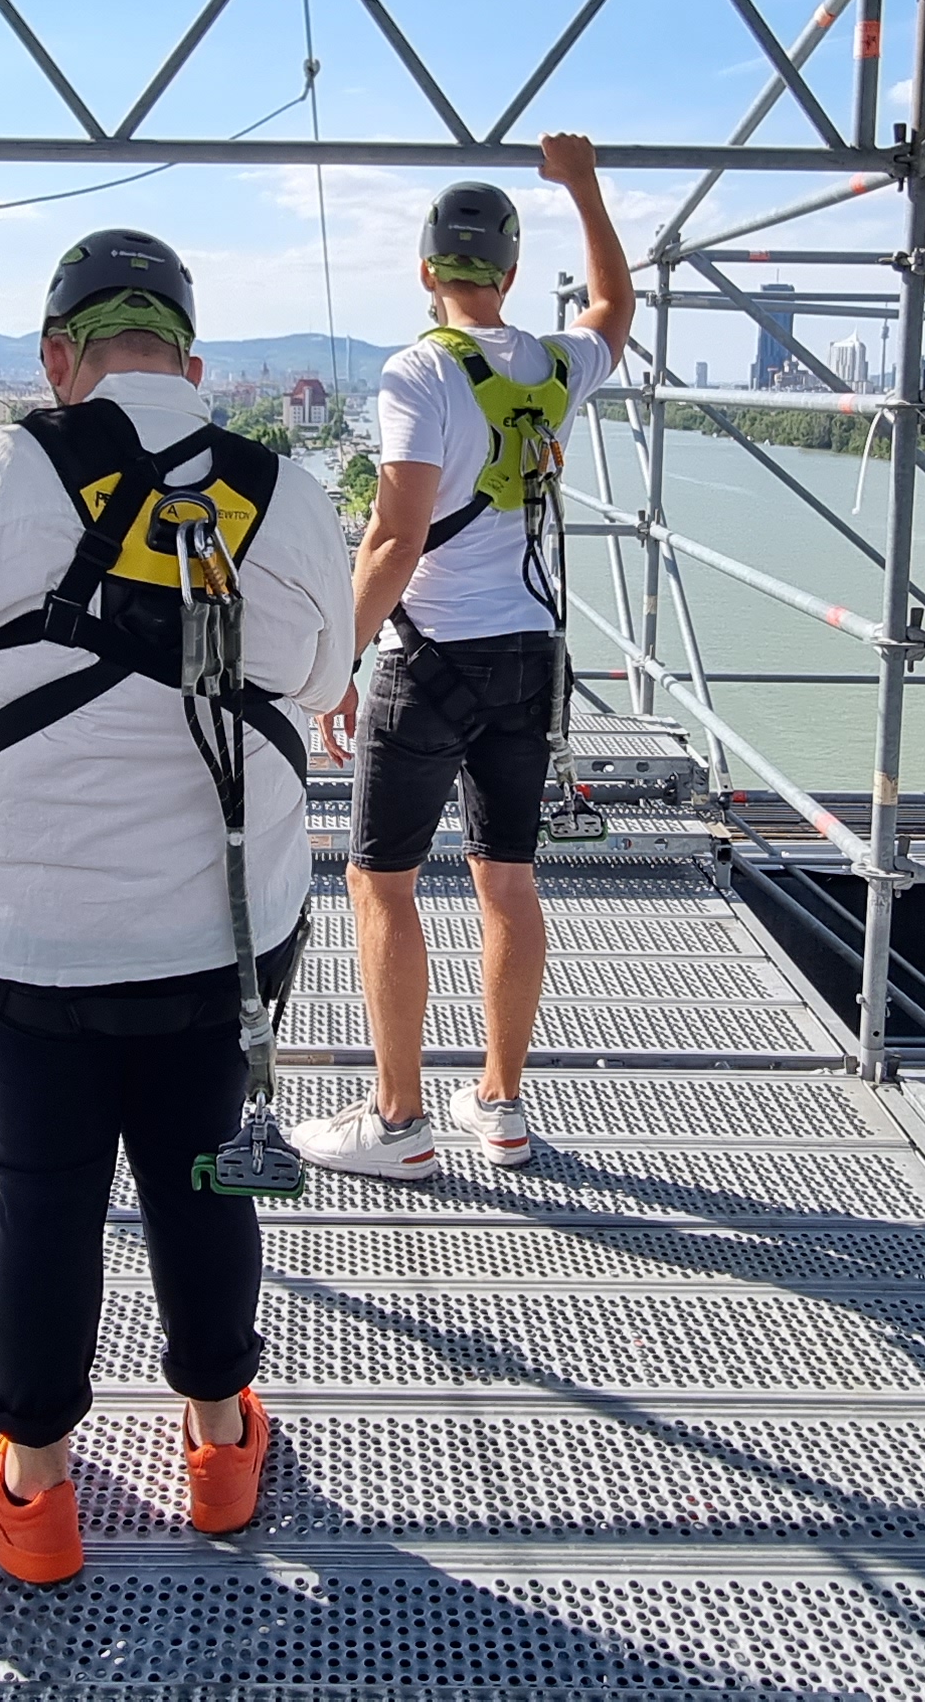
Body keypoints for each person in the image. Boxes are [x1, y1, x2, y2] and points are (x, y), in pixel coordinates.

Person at [0, 229, 351, 1583]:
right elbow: (326, 666)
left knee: (44, 1184)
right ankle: (222, 1446)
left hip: (27, 931)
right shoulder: (291, 495)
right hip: (228, 923)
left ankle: (34, 1492)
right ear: (194, 362)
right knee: (206, 1164)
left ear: (59, 360)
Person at [295, 135, 634, 1180]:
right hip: (528, 657)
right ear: (513, 274)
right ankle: (500, 1104)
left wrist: (335, 665)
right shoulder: (550, 365)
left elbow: (393, 539)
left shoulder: (415, 373)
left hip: (425, 660)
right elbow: (615, 311)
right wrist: (583, 188)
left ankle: (397, 1123)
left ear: (427, 272)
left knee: (381, 885)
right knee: (508, 880)